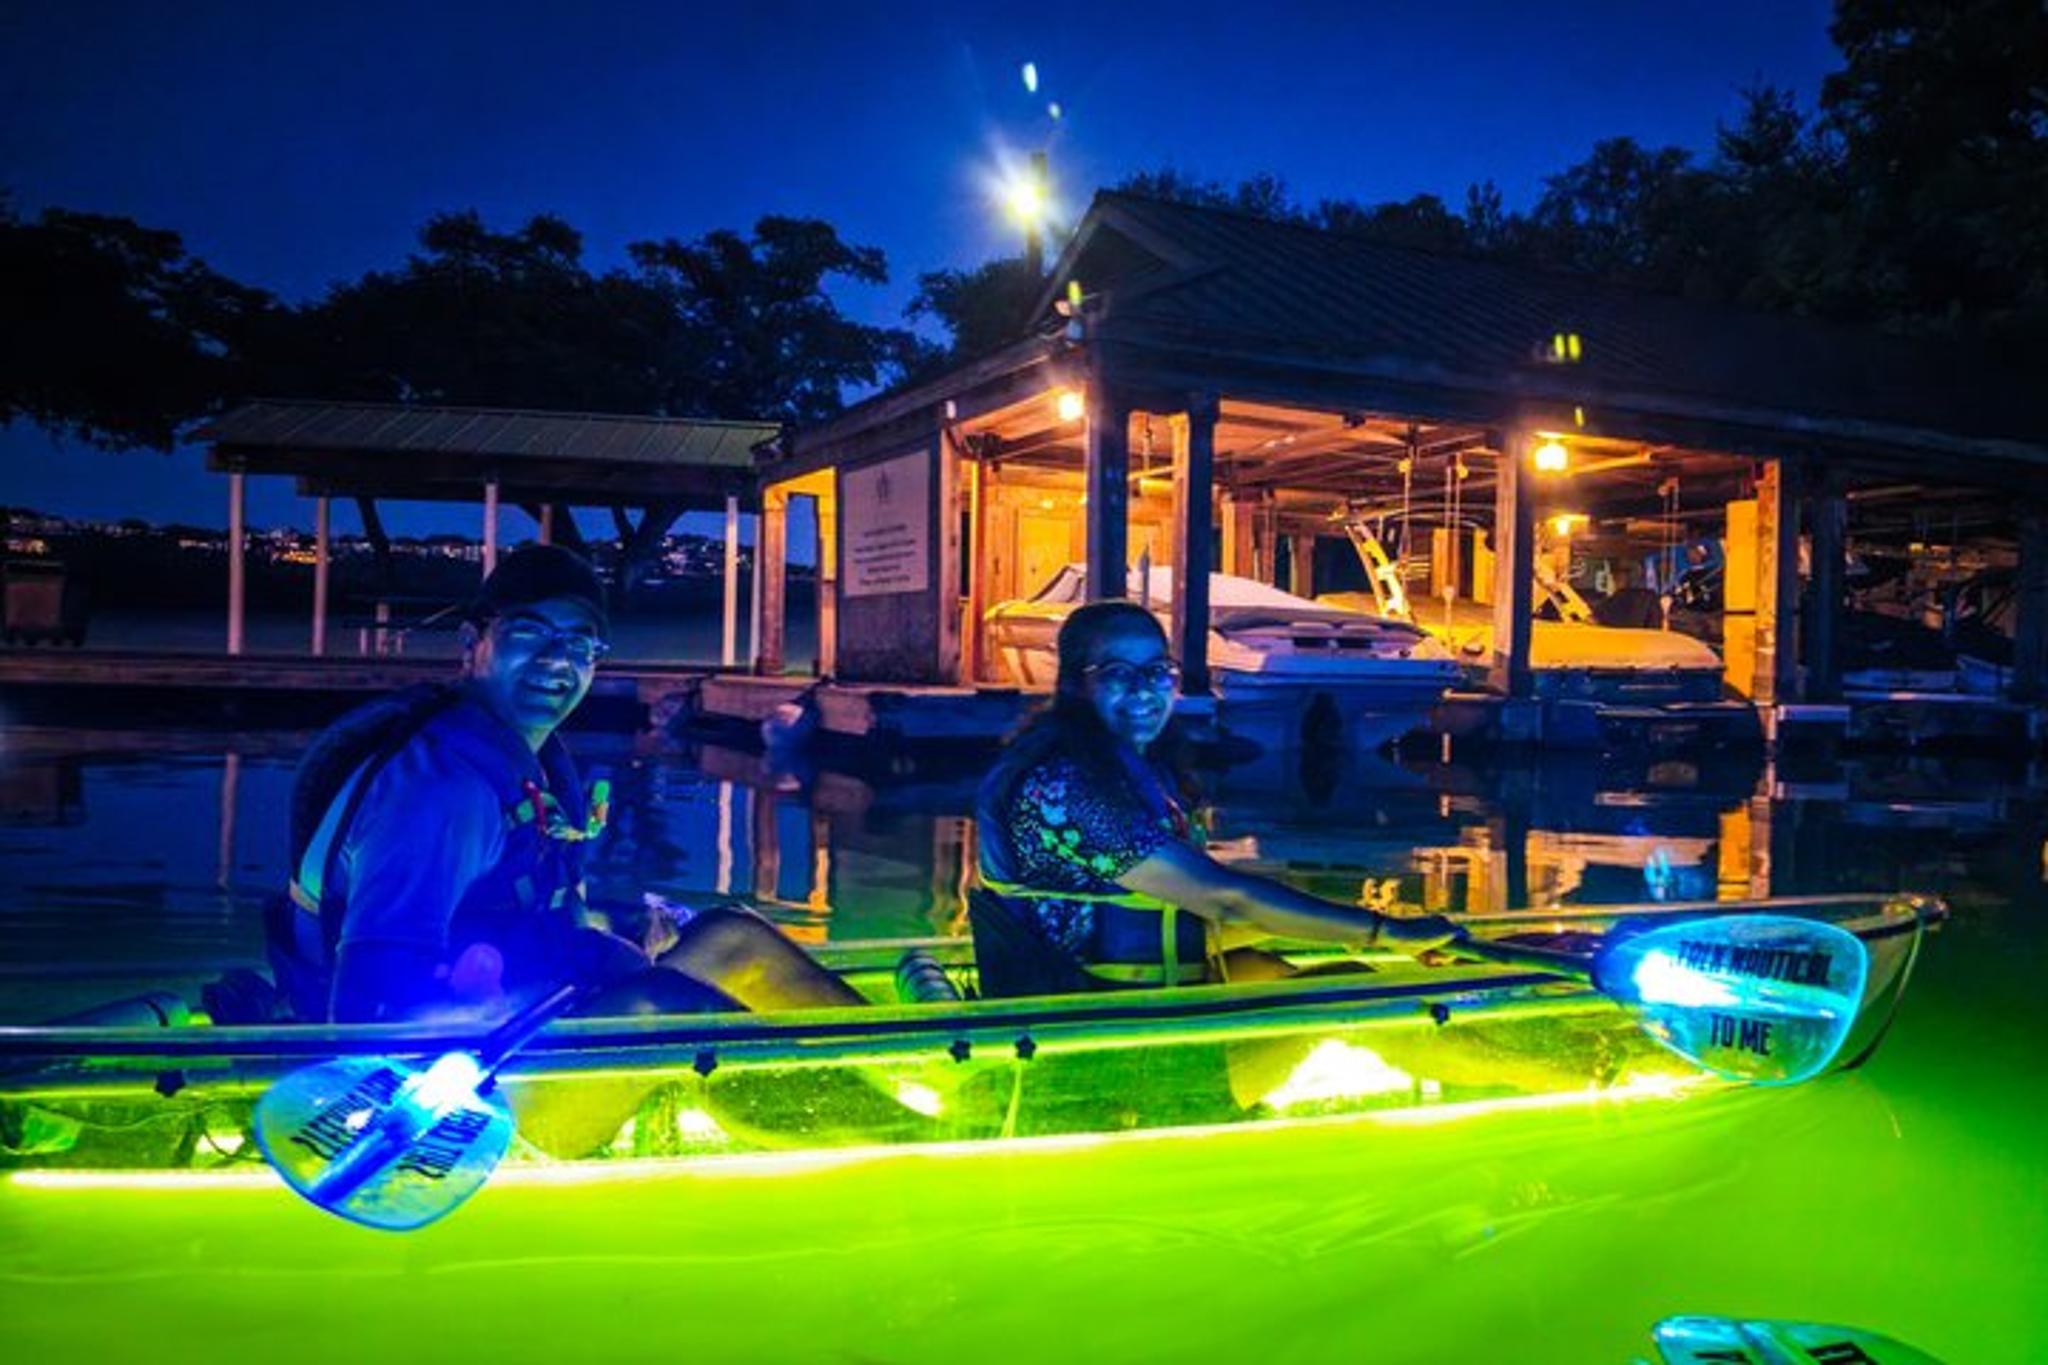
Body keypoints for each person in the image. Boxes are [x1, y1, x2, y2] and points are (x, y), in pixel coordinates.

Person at [270, 544, 861, 1024]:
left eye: (579, 645)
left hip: (531, 1012)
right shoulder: (443, 794)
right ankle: (848, 1126)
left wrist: (614, 945)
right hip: (460, 1081)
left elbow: (533, 911)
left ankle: (897, 1069)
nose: (558, 661)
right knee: (663, 1006)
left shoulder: (526, 762)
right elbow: (371, 1002)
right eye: (530, 633)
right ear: (472, 644)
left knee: (731, 935)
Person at [973, 599, 1458, 997]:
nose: (1144, 691)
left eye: (1158, 671)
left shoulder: (1135, 771)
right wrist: (1380, 932)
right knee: (1353, 993)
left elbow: (1189, 912)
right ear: (1076, 684)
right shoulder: (1064, 790)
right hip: (1089, 1020)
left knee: (1300, 969)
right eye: (1118, 673)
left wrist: (1362, 930)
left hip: (1135, 991)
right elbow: (1223, 900)